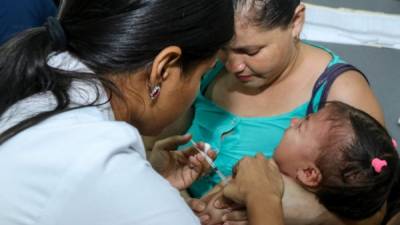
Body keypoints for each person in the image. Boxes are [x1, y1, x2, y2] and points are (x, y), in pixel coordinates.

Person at [0, 0, 235, 224]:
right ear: (164, 69)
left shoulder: (42, 84)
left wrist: (151, 187)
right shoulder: (103, 165)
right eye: (201, 75)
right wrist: (264, 201)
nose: (196, 89)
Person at [145, 0, 385, 198]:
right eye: (223, 48)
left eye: (251, 51)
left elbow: (374, 210)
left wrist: (260, 207)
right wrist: (183, 201)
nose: (233, 65)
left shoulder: (340, 90)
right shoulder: (211, 68)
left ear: (295, 22)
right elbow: (157, 146)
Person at [195, 102, 399, 225]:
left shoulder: (264, 183)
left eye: (302, 125)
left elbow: (208, 211)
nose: (293, 121)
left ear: (309, 173)